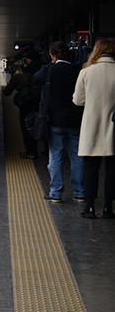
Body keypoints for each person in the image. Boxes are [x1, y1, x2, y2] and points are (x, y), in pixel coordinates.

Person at [33, 41, 83, 203]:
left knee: (55, 157)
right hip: (75, 120)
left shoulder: (48, 70)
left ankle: (55, 193)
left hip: (54, 121)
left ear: (52, 55)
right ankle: (80, 192)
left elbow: (34, 79)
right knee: (77, 157)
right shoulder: (77, 70)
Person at [72, 38, 115, 219]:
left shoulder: (86, 72)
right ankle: (107, 208)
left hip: (92, 126)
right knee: (112, 171)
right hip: (113, 127)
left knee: (91, 169)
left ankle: (90, 207)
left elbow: (77, 100)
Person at [3, 50, 41, 159]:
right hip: (39, 104)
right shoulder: (41, 72)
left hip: (25, 105)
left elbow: (6, 92)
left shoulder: (19, 76)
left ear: (28, 61)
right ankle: (42, 150)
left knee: (26, 128)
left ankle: (30, 152)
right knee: (39, 125)